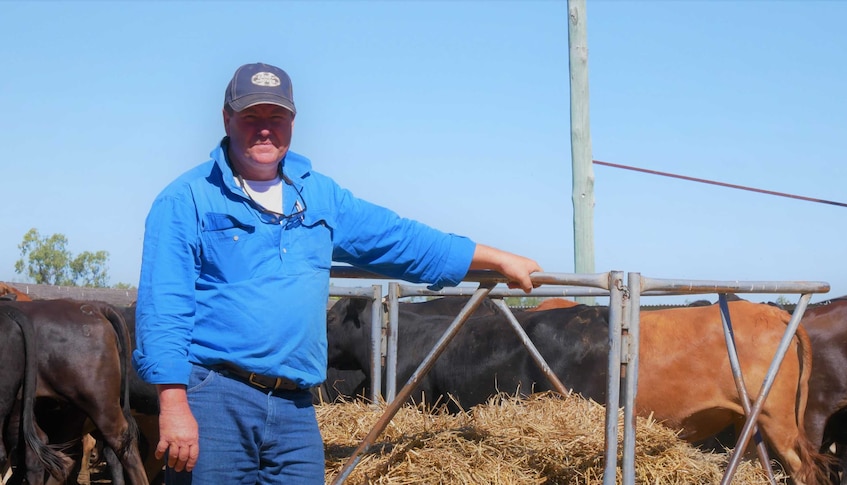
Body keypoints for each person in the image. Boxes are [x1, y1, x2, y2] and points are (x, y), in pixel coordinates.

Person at [133, 62, 543, 484]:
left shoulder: (318, 195)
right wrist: (173, 404)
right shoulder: (186, 199)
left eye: (276, 117)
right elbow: (163, 308)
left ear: (292, 122)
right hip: (216, 397)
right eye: (250, 116)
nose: (264, 129)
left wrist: (496, 259)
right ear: (226, 119)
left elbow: (398, 238)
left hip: (294, 406)